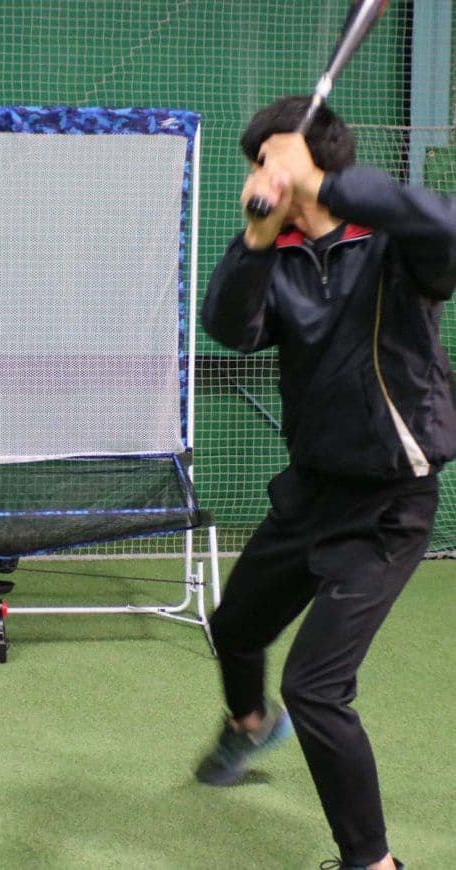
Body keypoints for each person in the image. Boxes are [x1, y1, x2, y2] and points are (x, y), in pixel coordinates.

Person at [195, 95, 456, 870]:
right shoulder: (275, 257)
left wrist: (324, 185)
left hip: (388, 505)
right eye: (258, 164)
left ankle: (373, 863)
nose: (260, 175)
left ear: (317, 165)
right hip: (312, 491)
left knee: (315, 687)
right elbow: (227, 328)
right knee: (235, 627)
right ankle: (249, 725)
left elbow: (445, 224)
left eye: (271, 159)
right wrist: (255, 237)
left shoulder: (394, 247)